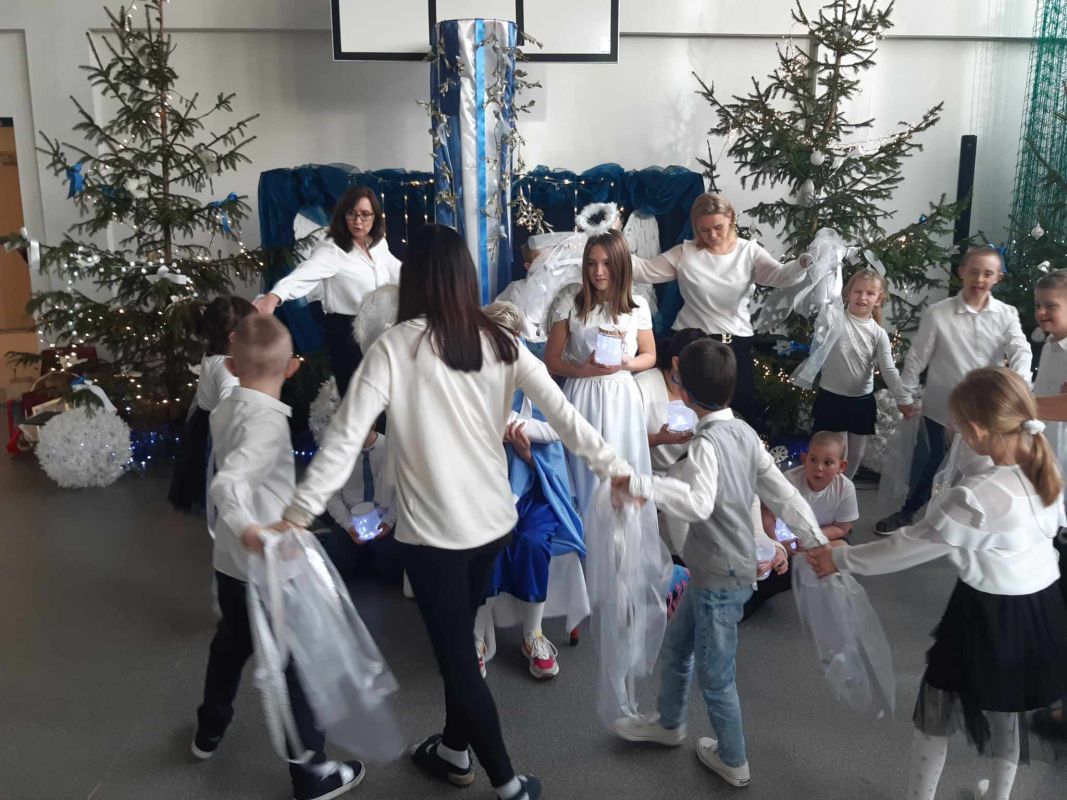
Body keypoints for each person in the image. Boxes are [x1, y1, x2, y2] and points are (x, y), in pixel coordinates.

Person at [273, 225, 640, 800]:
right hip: (492, 525)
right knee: (459, 642)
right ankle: (452, 750)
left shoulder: (395, 347)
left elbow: (344, 439)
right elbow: (564, 416)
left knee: (458, 660)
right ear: (465, 277)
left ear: (413, 281)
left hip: (435, 537)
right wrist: (613, 465)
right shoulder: (498, 341)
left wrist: (296, 514)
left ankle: (508, 784)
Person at [808, 367, 1067, 800]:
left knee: (936, 712)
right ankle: (999, 796)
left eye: (960, 426)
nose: (955, 432)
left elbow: (906, 547)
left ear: (978, 431)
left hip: (986, 615)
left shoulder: (977, 498)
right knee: (1008, 711)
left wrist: (840, 558)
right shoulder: (1042, 468)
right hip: (1038, 609)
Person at [613, 339, 829, 789]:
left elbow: (697, 502)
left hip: (721, 580)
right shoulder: (745, 433)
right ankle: (669, 723)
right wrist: (814, 538)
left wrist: (642, 485)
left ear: (683, 390)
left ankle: (734, 759)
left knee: (716, 676)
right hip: (711, 572)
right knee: (677, 649)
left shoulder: (707, 444)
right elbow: (782, 492)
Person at [192, 314, 364, 800]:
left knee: (230, 646)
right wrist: (250, 529)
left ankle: (209, 729)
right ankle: (312, 775)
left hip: (229, 566)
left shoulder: (227, 403)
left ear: (232, 365)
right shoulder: (266, 424)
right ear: (291, 367)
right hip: (268, 569)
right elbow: (228, 485)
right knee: (297, 667)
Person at [876, 247, 1032, 534]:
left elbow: (1020, 350)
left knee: (981, 465)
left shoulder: (1006, 314)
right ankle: (909, 513)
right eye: (973, 272)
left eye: (987, 273)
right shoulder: (939, 313)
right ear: (961, 273)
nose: (979, 279)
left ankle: (968, 522)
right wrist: (904, 395)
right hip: (942, 408)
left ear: (998, 277)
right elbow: (917, 357)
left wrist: (1017, 385)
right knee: (932, 462)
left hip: (984, 411)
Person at [472, 301, 588, 682]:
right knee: (487, 543)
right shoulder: (472, 380)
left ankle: (532, 634)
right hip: (487, 490)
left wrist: (524, 450)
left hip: (536, 490)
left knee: (533, 540)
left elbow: (557, 428)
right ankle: (476, 635)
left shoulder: (534, 379)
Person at [630, 193, 810, 431]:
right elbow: (644, 269)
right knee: (685, 412)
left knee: (739, 412)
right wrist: (609, 249)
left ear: (731, 219)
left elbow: (780, 276)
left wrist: (801, 264)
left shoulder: (748, 252)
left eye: (718, 228)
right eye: (704, 230)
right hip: (691, 345)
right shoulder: (685, 253)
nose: (712, 236)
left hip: (734, 346)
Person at [544, 229, 656, 516]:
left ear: (621, 265)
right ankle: (586, 539)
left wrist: (625, 364)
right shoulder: (571, 303)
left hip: (622, 397)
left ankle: (626, 539)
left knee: (623, 467)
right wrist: (582, 369)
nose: (598, 271)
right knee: (585, 474)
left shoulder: (638, 306)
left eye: (606, 263)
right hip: (582, 395)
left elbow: (650, 356)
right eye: (592, 263)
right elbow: (551, 360)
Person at [253, 186, 401, 395]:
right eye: (351, 213)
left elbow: (398, 271)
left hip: (379, 330)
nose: (358, 221)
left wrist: (429, 287)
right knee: (357, 397)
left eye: (365, 214)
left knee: (384, 395)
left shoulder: (378, 244)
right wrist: (275, 296)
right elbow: (305, 273)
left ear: (375, 216)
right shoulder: (332, 249)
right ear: (342, 215)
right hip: (347, 334)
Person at [807, 267, 912, 478]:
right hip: (832, 398)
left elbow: (888, 369)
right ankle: (827, 488)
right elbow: (820, 298)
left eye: (870, 293)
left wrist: (904, 398)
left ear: (878, 299)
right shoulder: (834, 318)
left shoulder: (878, 334)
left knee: (855, 455)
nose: (862, 297)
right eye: (858, 291)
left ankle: (843, 489)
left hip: (861, 402)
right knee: (835, 452)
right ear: (848, 293)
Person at [745, 431, 859, 619]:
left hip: (817, 542)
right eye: (813, 460)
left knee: (842, 549)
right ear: (805, 459)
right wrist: (778, 544)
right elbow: (767, 514)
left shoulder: (845, 489)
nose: (819, 468)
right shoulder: (789, 479)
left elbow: (842, 528)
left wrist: (811, 540)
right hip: (786, 542)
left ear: (841, 466)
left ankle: (803, 576)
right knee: (766, 566)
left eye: (828, 463)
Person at [168, 295, 254, 513]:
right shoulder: (227, 368)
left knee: (201, 467)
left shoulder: (213, 354)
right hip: (219, 427)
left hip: (203, 420)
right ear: (234, 337)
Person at [1029, 270, 1067, 740]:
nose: (1041, 313)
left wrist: (1019, 406)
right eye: (1039, 305)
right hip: (1053, 477)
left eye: (1051, 306)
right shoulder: (1050, 348)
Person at [635, 327, 707, 555]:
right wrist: (658, 439)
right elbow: (621, 440)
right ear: (676, 362)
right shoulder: (644, 385)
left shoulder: (703, 388)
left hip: (693, 478)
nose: (704, 371)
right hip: (650, 479)